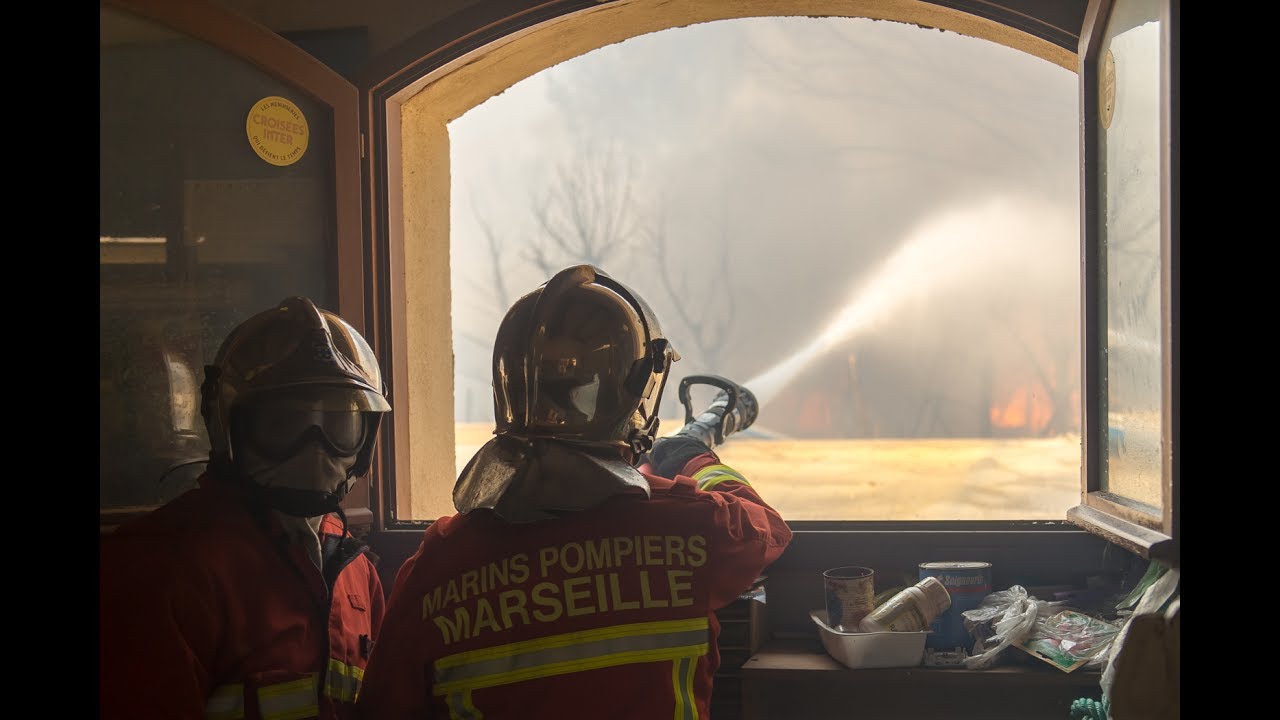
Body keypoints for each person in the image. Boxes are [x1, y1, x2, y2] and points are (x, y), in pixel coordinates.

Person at [355, 264, 792, 719]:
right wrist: (693, 456)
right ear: (636, 388)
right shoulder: (691, 528)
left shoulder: (436, 568)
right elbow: (768, 531)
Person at [100, 296, 392, 720]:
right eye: (284, 424)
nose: (314, 450)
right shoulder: (164, 570)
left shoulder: (353, 570)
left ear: (365, 437)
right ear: (229, 426)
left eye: (338, 425)